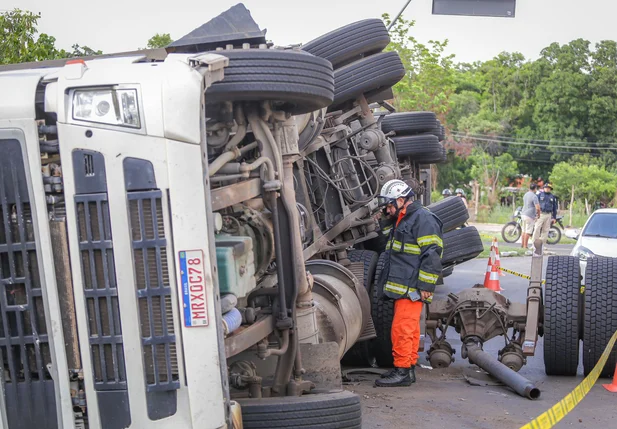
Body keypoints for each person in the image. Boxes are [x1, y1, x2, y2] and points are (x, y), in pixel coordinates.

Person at [374, 179, 443, 387]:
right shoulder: (402, 218)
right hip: (404, 285)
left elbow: (432, 255)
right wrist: (386, 219)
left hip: (412, 286)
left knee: (402, 329)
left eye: (389, 205)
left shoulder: (423, 219)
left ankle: (402, 371)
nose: (387, 209)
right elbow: (388, 242)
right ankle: (408, 369)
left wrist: (425, 287)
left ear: (402, 200)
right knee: (409, 328)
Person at [532, 183, 558, 247]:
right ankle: (534, 244)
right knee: (537, 228)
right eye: (546, 188)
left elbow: (554, 208)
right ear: (543, 188)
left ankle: (542, 245)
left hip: (548, 214)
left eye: (548, 188)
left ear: (550, 189)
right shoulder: (539, 195)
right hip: (540, 214)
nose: (547, 189)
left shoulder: (552, 197)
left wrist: (554, 217)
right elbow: (535, 204)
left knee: (545, 230)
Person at [521, 183, 541, 249]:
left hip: (523, 213)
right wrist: (538, 214)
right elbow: (537, 207)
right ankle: (525, 246)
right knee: (528, 231)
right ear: (535, 189)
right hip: (529, 215)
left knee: (523, 231)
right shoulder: (534, 196)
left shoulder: (525, 194)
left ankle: (522, 245)